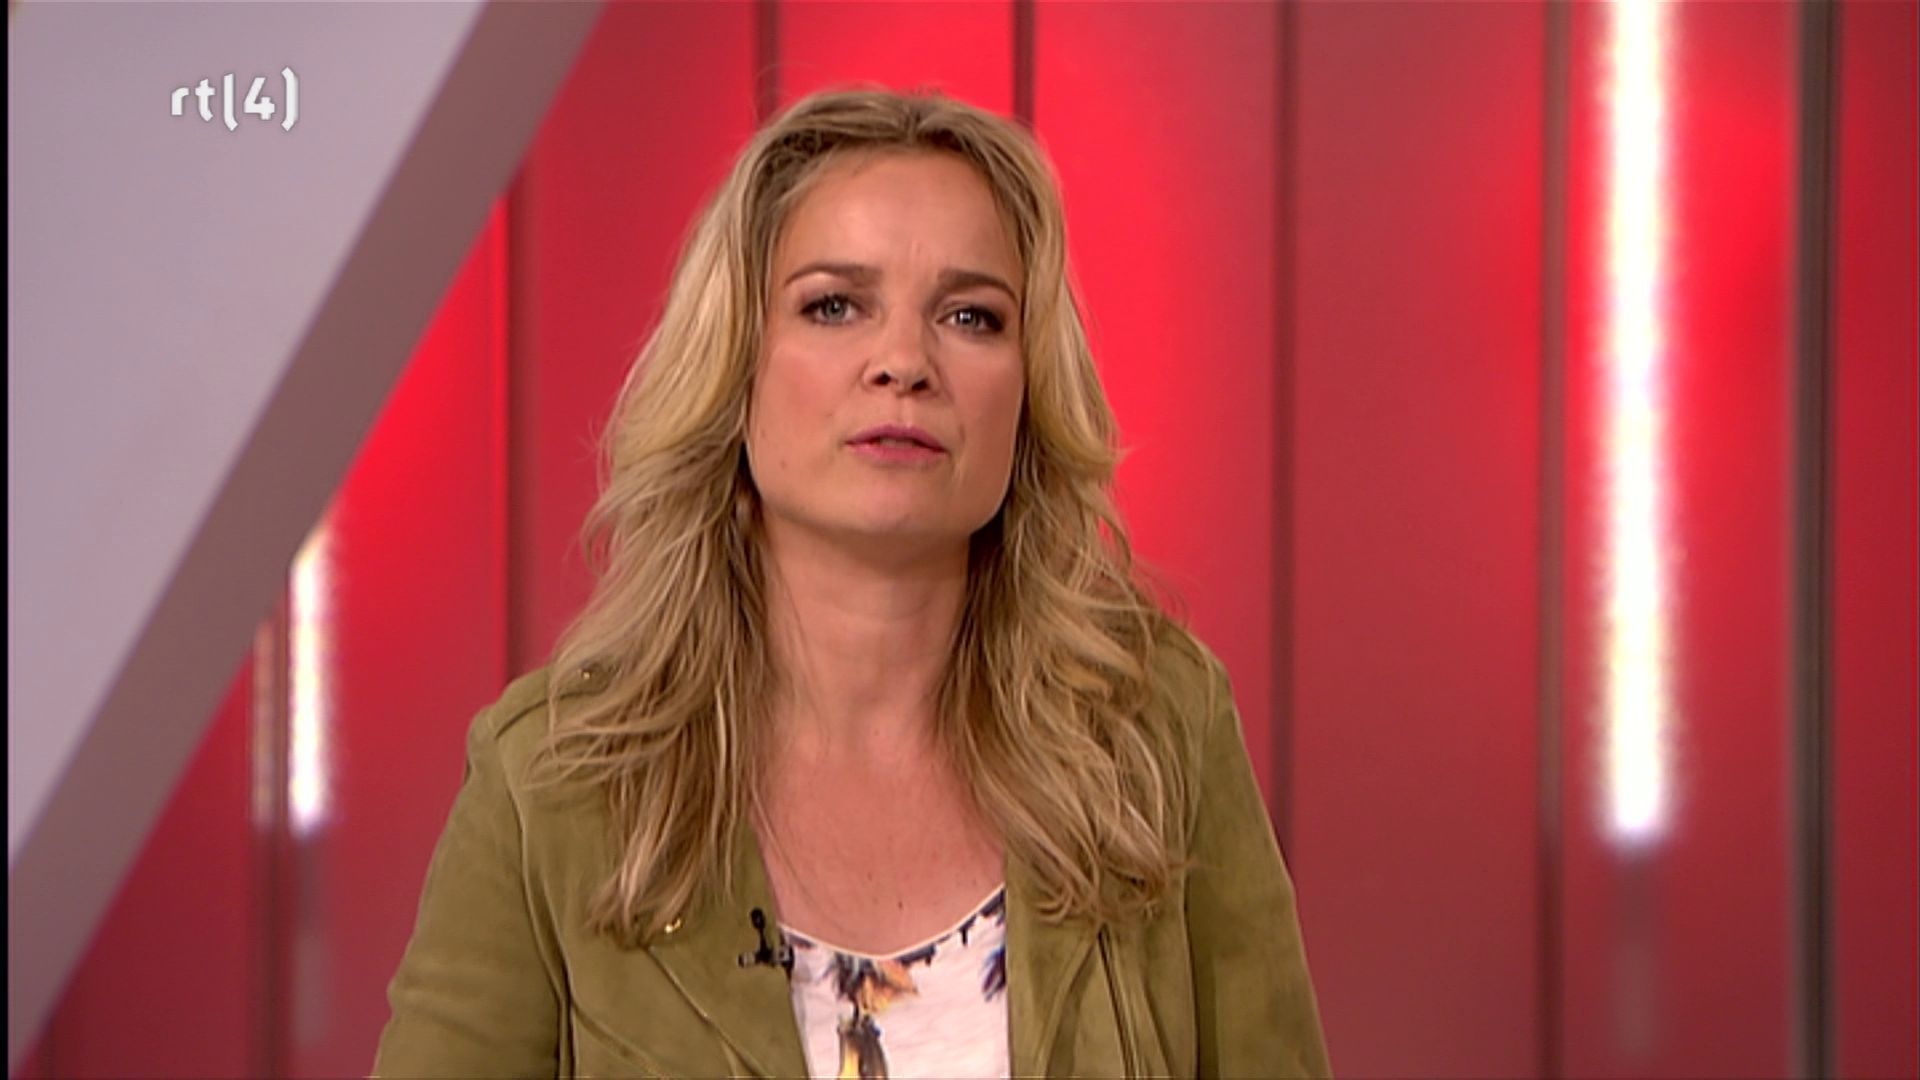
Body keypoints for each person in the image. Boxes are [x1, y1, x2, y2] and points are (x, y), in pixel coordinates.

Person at [373, 86, 1329, 1079]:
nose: (903, 362)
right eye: (834, 305)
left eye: (971, 316)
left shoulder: (1159, 731)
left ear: (1029, 390)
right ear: (736, 366)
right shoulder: (552, 784)